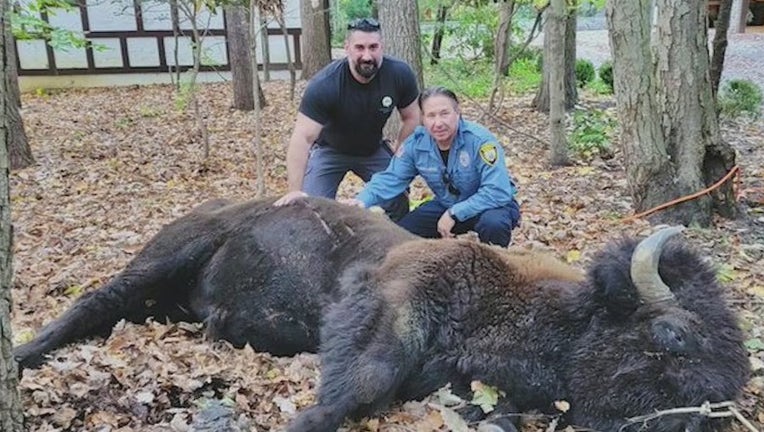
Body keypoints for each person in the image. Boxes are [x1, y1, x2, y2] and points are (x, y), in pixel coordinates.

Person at [273, 17, 420, 220]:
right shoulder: (325, 84)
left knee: (398, 198)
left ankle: (395, 247)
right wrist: (294, 189)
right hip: (330, 151)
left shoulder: (399, 73)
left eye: (373, 47)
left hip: (372, 149)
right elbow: (302, 139)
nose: (367, 55)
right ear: (347, 48)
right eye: (359, 47)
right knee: (311, 209)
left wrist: (399, 153)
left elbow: (413, 117)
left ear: (382, 47)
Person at [348, 86, 521, 247]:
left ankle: (494, 273)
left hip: (490, 206)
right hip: (447, 204)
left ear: (457, 112)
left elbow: (498, 191)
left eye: (444, 113)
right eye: (431, 116)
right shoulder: (416, 144)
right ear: (422, 118)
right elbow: (391, 178)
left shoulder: (480, 140)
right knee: (402, 235)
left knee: (494, 224)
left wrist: (454, 213)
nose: (438, 123)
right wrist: (362, 200)